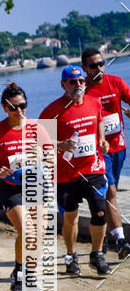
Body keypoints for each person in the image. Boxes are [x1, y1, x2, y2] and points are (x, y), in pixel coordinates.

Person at [0, 82, 50, 291]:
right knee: (26, 230)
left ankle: (25, 271)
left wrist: (41, 158)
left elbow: (49, 155)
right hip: (11, 187)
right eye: (13, 107)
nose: (19, 111)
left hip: (36, 184)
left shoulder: (37, 127)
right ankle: (20, 276)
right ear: (4, 107)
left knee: (39, 232)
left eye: (23, 106)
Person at [40, 65, 110, 277]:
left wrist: (102, 139)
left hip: (93, 168)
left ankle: (97, 255)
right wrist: (59, 144)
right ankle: (71, 255)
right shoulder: (52, 110)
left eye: (81, 80)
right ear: (63, 85)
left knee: (99, 210)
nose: (78, 85)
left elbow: (99, 120)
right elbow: (38, 140)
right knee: (71, 217)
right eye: (73, 81)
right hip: (65, 174)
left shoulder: (94, 102)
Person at [83, 48, 130, 258]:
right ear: (85, 68)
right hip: (98, 151)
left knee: (108, 194)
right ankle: (121, 240)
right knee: (110, 192)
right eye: (93, 65)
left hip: (119, 147)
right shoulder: (81, 89)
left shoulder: (116, 82)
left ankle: (104, 236)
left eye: (101, 63)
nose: (99, 68)